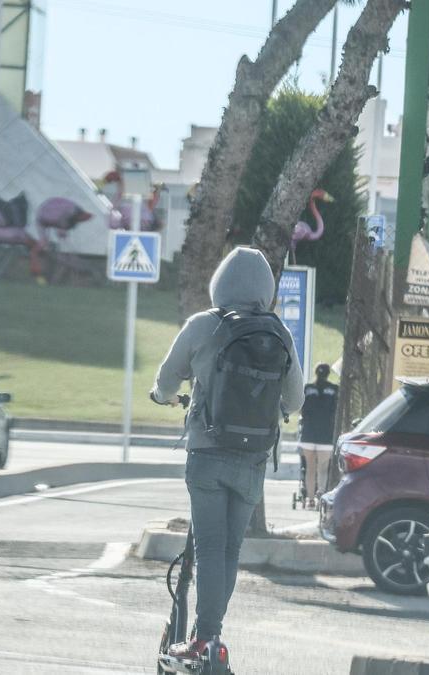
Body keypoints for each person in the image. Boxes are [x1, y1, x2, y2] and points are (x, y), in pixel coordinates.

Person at [151, 247, 305, 660]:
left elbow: (167, 379)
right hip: (254, 460)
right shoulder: (279, 333)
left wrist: (162, 396)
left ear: (219, 283)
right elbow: (295, 400)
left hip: (208, 453)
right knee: (229, 551)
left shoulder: (203, 324)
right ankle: (209, 637)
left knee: (209, 548)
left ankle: (204, 639)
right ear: (267, 290)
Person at [298, 363, 338, 507]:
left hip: (308, 434)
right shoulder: (334, 390)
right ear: (328, 374)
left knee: (310, 468)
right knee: (323, 469)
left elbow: (302, 410)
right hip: (326, 436)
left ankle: (309, 499)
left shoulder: (308, 389)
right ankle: (321, 493)